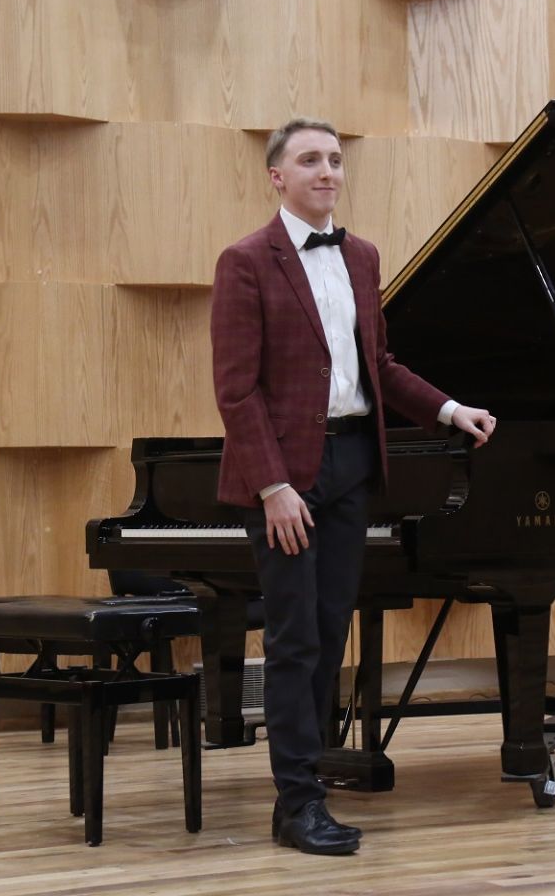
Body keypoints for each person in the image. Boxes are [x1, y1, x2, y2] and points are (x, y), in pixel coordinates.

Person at [210, 117, 496, 856]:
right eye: (310, 160)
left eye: (336, 159)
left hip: (352, 469)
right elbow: (236, 392)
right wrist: (272, 486)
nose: (327, 171)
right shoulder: (245, 261)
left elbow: (382, 366)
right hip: (286, 476)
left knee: (329, 631)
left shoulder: (362, 257)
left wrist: (446, 408)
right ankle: (296, 803)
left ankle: (308, 787)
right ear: (277, 176)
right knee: (294, 638)